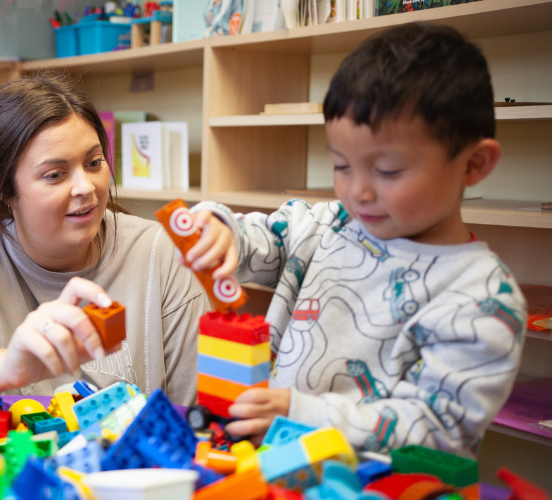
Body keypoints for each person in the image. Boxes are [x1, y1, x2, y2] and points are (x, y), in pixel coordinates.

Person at [193, 23, 525, 457]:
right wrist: (223, 233)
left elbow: (436, 428)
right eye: (341, 166)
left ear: (474, 163)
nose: (358, 192)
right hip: (271, 466)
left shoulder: (482, 299)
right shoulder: (329, 224)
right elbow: (266, 238)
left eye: (387, 171)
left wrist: (301, 413)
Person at [0, 73, 234, 407]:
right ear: (4, 190)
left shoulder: (164, 254)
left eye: (94, 162)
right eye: (55, 175)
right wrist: (10, 366)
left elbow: (200, 418)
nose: (86, 187)